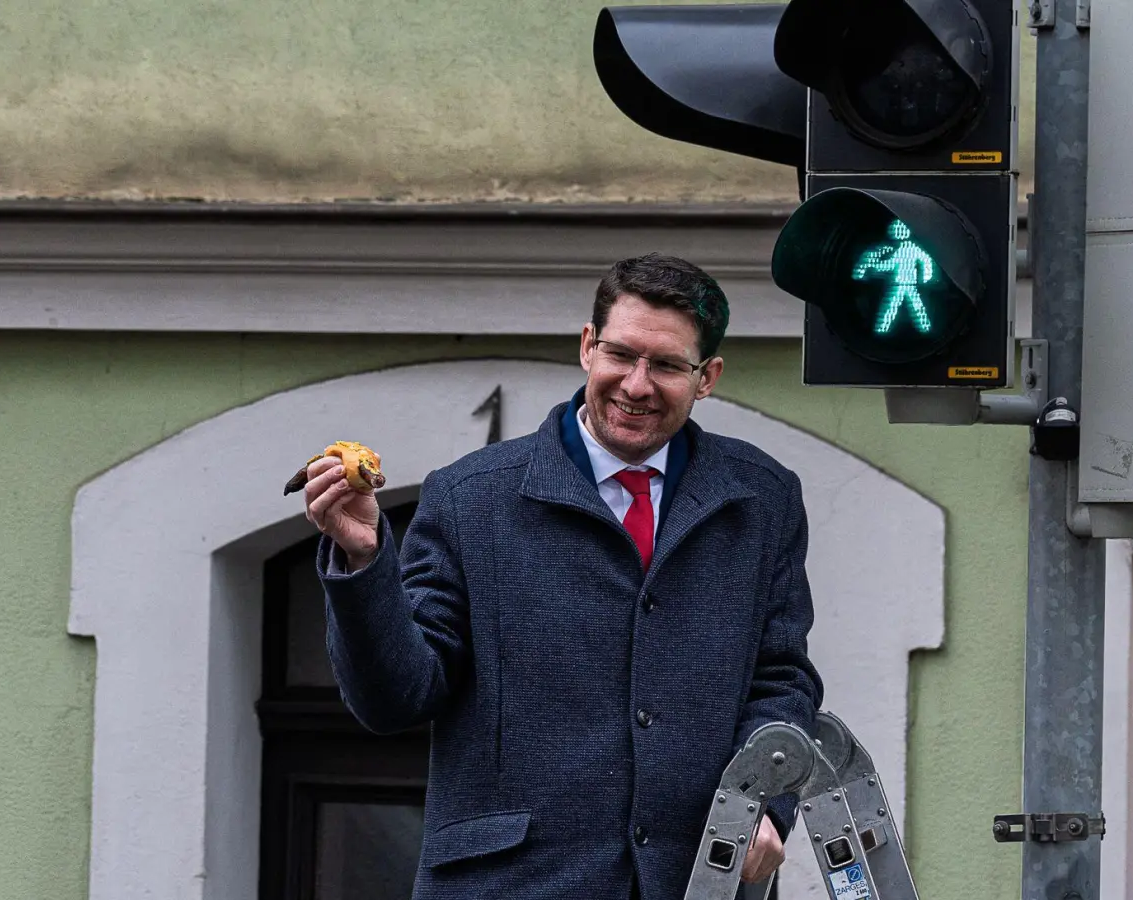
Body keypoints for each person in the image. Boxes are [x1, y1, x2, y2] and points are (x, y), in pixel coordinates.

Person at [299, 252, 824, 900]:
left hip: (697, 882)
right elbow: (396, 698)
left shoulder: (761, 499)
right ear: (586, 346)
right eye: (621, 355)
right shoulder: (471, 498)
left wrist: (766, 801)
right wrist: (363, 560)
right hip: (511, 884)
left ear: (707, 376)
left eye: (665, 365)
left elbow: (781, 678)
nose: (636, 384)